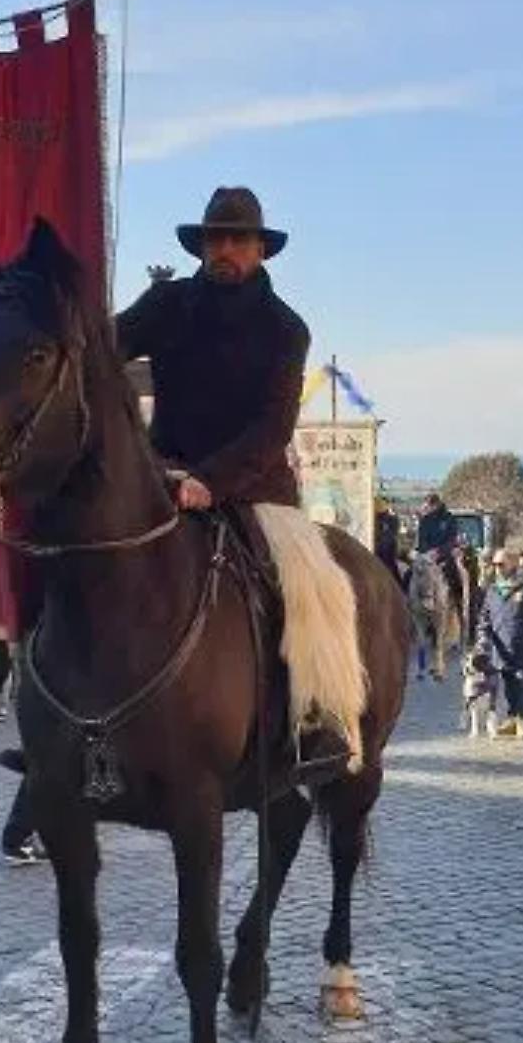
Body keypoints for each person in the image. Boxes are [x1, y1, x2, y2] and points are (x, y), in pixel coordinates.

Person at [114, 185, 350, 778]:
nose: (225, 249)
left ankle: (314, 724)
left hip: (253, 489)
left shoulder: (285, 330)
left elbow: (272, 430)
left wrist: (210, 483)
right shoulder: (165, 304)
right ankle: (58, 728)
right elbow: (103, 345)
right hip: (160, 477)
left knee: (308, 589)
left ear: (260, 250)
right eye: (215, 238)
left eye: (237, 239)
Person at [474, 547, 523, 740]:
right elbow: (484, 617)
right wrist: (482, 639)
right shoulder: (492, 589)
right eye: (495, 564)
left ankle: (522, 721)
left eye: (501, 564)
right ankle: (511, 719)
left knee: (521, 682)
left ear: (513, 564)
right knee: (508, 684)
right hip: (501, 647)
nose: (497, 568)